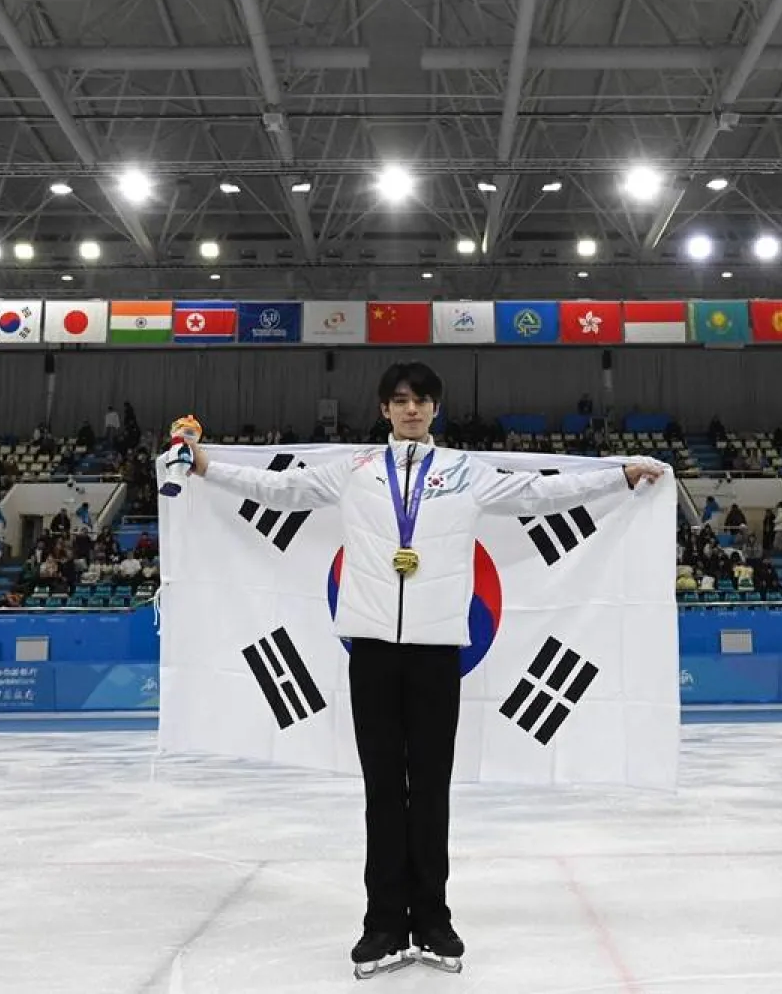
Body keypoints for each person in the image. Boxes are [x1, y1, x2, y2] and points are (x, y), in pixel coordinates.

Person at [185, 362, 666, 978]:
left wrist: (616, 478)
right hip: (373, 652)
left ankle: (433, 918)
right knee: (384, 790)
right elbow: (283, 490)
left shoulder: (465, 473)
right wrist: (204, 466)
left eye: (422, 401)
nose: (411, 410)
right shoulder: (356, 471)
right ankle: (382, 922)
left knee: (431, 790)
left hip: (440, 653)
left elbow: (539, 494)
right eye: (400, 400)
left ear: (436, 409)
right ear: (385, 409)